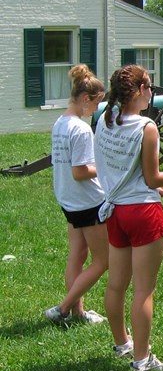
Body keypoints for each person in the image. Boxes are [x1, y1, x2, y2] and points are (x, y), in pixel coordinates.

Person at [94, 64, 163, 371]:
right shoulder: (146, 127)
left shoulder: (105, 120)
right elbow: (153, 178)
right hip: (142, 213)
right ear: (139, 91)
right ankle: (141, 361)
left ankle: (122, 343)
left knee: (116, 285)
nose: (151, 94)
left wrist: (145, 185)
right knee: (143, 290)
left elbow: (126, 170)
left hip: (115, 211)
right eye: (149, 87)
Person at [45, 64, 109, 326]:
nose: (95, 110)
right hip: (88, 203)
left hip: (68, 200)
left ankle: (78, 313)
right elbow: (81, 172)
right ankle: (62, 309)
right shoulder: (81, 129)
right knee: (103, 260)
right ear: (85, 99)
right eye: (95, 105)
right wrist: (105, 167)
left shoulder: (61, 123)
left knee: (78, 255)